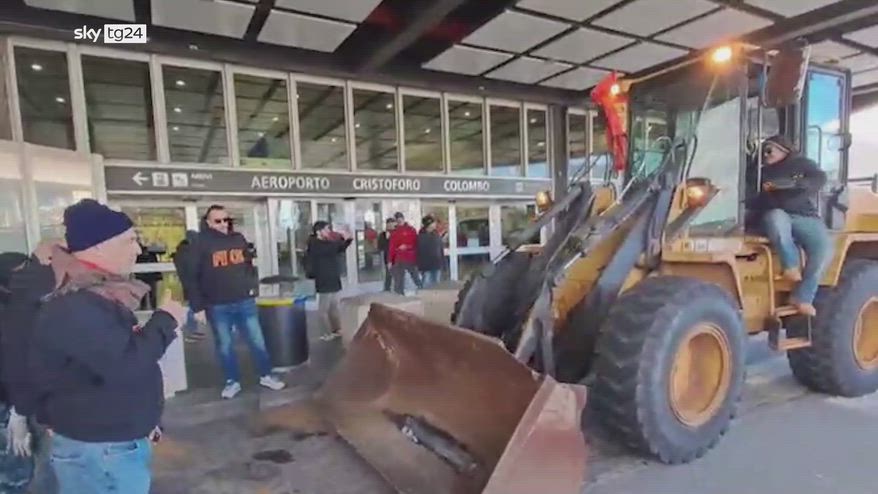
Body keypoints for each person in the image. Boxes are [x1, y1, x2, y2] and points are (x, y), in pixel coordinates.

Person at [28, 199, 189, 494]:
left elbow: (99, 362)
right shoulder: (77, 302)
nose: (138, 250)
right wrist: (166, 320)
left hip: (106, 442)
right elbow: (126, 363)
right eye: (130, 241)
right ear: (99, 247)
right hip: (101, 450)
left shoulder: (94, 293)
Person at [185, 205, 286, 399]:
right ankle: (232, 381)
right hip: (217, 305)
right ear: (208, 223)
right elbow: (192, 277)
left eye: (226, 220)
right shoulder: (199, 243)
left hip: (244, 300)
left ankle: (266, 375)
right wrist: (197, 307)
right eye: (218, 221)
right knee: (225, 346)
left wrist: (251, 286)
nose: (223, 224)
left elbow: (248, 265)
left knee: (257, 340)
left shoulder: (238, 239)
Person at [1, 241, 61, 494]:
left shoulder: (31, 305)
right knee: (16, 475)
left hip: (30, 402)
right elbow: (16, 361)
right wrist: (18, 412)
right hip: (13, 404)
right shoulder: (15, 311)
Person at [749, 135, 831, 316]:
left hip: (805, 216)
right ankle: (790, 266)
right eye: (763, 151)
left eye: (769, 150)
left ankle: (803, 297)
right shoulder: (760, 172)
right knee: (776, 219)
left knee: (823, 250)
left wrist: (795, 184)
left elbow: (820, 177)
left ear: (783, 150)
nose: (765, 155)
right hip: (778, 213)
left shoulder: (801, 164)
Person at [306, 221, 352, 341]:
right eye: (326, 229)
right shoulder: (314, 244)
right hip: (324, 279)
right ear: (318, 232)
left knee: (334, 307)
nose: (329, 232)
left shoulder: (327, 243)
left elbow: (339, 248)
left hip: (333, 278)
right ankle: (325, 332)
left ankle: (337, 330)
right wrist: (342, 238)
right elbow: (331, 248)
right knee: (323, 310)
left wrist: (348, 240)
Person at [171, 231, 207, 343]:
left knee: (193, 306)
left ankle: (191, 331)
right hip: (195, 283)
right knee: (194, 307)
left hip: (188, 283)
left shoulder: (181, 252)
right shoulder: (192, 252)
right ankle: (191, 332)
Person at [388, 212, 422, 295]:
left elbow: (416, 243)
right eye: (397, 220)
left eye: (400, 219)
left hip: (410, 257)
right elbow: (391, 248)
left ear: (403, 219)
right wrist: (390, 261)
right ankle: (399, 296)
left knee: (415, 276)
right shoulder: (394, 232)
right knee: (398, 280)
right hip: (398, 258)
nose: (399, 221)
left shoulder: (411, 230)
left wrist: (407, 246)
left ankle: (423, 292)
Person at [417, 216, 444, 288]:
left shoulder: (436, 234)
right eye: (433, 223)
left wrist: (442, 262)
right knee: (427, 286)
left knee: (437, 287)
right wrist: (419, 266)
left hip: (437, 265)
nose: (435, 224)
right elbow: (418, 252)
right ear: (428, 224)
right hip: (426, 267)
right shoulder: (421, 236)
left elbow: (440, 249)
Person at [377, 218, 396, 292]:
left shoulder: (398, 233)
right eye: (389, 225)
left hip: (398, 257)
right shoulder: (383, 234)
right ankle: (387, 289)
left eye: (392, 224)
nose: (390, 226)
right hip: (387, 257)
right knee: (388, 274)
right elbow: (380, 246)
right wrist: (387, 239)